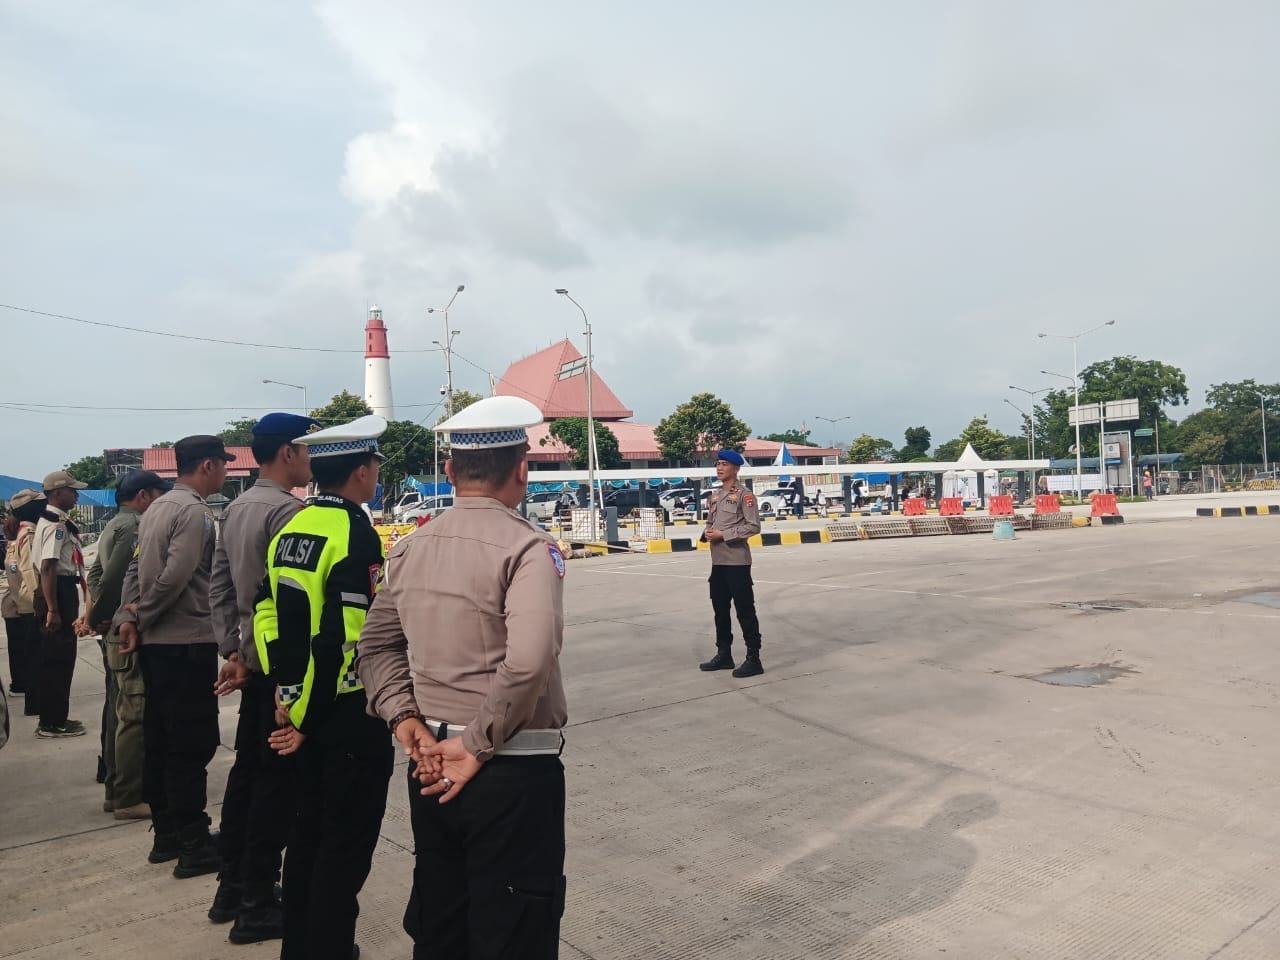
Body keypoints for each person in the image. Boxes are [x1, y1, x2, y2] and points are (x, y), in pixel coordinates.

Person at [359, 395, 569, 960]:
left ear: (450, 471)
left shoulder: (409, 547)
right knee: (514, 929)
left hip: (430, 765)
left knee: (442, 921)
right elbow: (529, 660)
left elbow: (375, 645)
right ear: (522, 470)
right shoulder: (528, 548)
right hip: (509, 770)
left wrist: (404, 718)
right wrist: (475, 746)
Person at [252, 415, 392, 960]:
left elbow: (266, 610)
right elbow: (341, 641)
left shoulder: (293, 527)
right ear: (361, 472)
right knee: (343, 855)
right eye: (375, 465)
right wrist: (307, 718)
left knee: (307, 841)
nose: (376, 473)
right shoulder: (355, 533)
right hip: (343, 716)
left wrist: (285, 690)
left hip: (300, 704)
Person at [208, 412, 317, 942]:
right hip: (278, 668)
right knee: (277, 787)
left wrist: (233, 649)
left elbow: (221, 587)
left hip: (250, 661)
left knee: (248, 775)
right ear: (289, 452)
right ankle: (255, 902)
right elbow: (290, 604)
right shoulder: (290, 514)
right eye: (309, 448)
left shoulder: (236, 508)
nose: (312, 459)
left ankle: (231, 887)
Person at [117, 435, 233, 877]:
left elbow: (135, 569)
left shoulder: (155, 509)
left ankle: (166, 833)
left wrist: (130, 616)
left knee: (161, 738)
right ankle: (193, 841)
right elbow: (176, 576)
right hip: (186, 640)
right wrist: (141, 615)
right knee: (192, 743)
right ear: (207, 466)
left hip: (157, 644)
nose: (225, 471)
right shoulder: (194, 512)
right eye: (222, 464)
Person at [86, 470, 170, 821]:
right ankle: (128, 796)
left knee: (117, 711)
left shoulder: (112, 524)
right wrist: (112, 615)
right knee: (133, 713)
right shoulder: (134, 526)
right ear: (143, 496)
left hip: (114, 625)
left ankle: (114, 791)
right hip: (126, 629)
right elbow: (117, 577)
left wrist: (100, 614)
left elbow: (95, 576)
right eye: (159, 495)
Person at [698, 450, 765, 678]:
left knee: (745, 610)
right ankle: (724, 654)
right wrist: (707, 533)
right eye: (718, 464)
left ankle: (754, 658)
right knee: (720, 610)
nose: (719, 468)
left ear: (736, 469)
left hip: (737, 562)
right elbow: (711, 522)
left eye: (724, 464)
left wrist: (724, 535)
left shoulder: (745, 496)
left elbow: (753, 526)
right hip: (718, 562)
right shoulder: (714, 497)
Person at [33, 470, 89, 738]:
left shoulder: (55, 520)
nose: (77, 495)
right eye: (72, 490)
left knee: (58, 657)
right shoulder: (55, 525)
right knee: (58, 658)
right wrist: (53, 609)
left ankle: (55, 718)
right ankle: (52, 723)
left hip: (58, 590)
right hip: (57, 592)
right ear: (57, 494)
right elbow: (48, 567)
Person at [4, 490, 44, 713]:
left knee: (22, 650)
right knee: (34, 655)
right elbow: (29, 571)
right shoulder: (28, 534)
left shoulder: (19, 533)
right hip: (29, 602)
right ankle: (34, 702)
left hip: (17, 600)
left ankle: (22, 686)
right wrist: (42, 600)